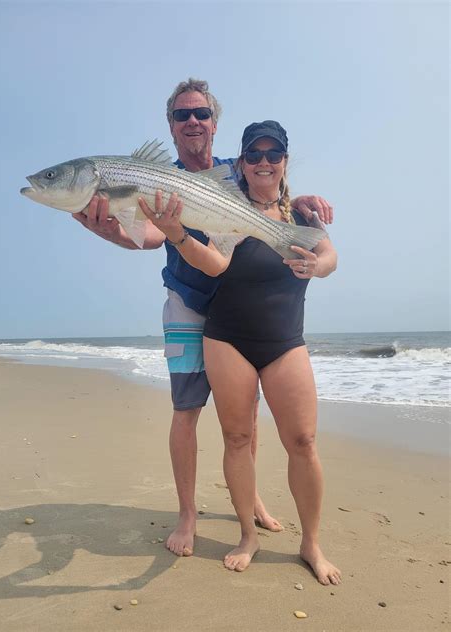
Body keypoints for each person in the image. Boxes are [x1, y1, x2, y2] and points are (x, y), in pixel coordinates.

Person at [72, 79, 335, 559]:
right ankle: (188, 514)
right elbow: (150, 237)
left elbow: (273, 185)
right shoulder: (160, 176)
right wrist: (109, 230)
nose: (192, 122)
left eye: (200, 114)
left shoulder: (236, 169)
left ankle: (249, 496)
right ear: (170, 127)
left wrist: (304, 203)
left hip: (242, 308)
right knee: (187, 409)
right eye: (181, 116)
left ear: (215, 123)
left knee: (245, 417)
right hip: (191, 301)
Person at [138, 119, 341, 585]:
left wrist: (320, 266)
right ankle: (247, 535)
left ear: (285, 161)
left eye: (273, 155)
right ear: (242, 164)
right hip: (227, 336)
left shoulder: (301, 215)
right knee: (237, 439)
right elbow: (214, 261)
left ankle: (311, 543)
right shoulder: (226, 208)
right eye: (254, 155)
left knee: (304, 442)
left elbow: (329, 255)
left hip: (284, 341)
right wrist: (177, 234)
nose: (264, 163)